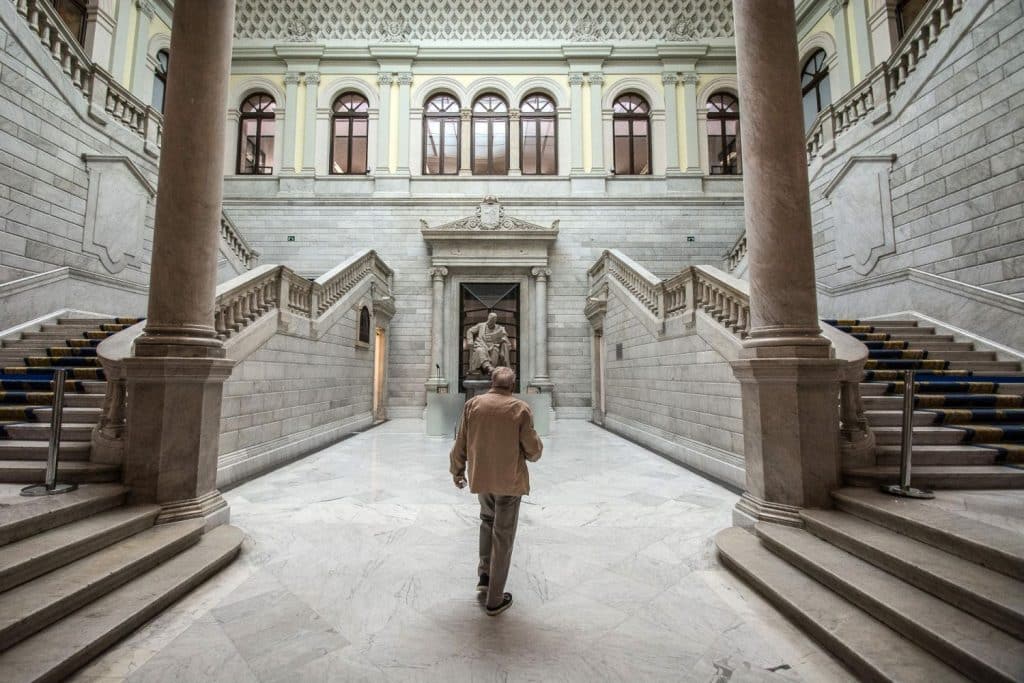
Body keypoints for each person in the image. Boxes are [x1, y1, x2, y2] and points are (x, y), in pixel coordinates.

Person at [449, 366, 543, 615]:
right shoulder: (520, 409)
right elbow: (533, 451)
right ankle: (495, 599)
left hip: (482, 477)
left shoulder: (473, 405)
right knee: (503, 536)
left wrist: (457, 470)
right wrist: (533, 448)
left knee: (487, 521)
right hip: (509, 481)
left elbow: (461, 441)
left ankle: (484, 576)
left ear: (491, 382)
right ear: (512, 385)